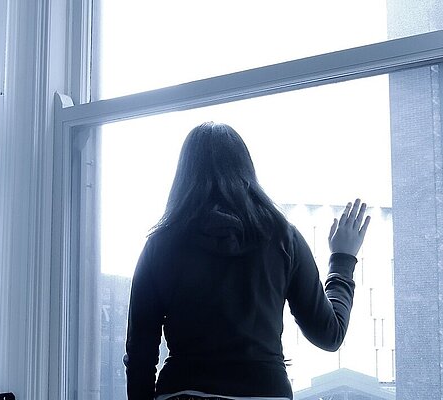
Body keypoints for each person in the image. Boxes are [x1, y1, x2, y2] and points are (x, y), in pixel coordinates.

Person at [123, 122, 370, 400]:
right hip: (265, 392)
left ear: (184, 176)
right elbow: (329, 334)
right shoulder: (283, 238)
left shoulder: (161, 245)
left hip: (184, 391)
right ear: (246, 170)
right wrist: (342, 260)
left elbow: (140, 355)